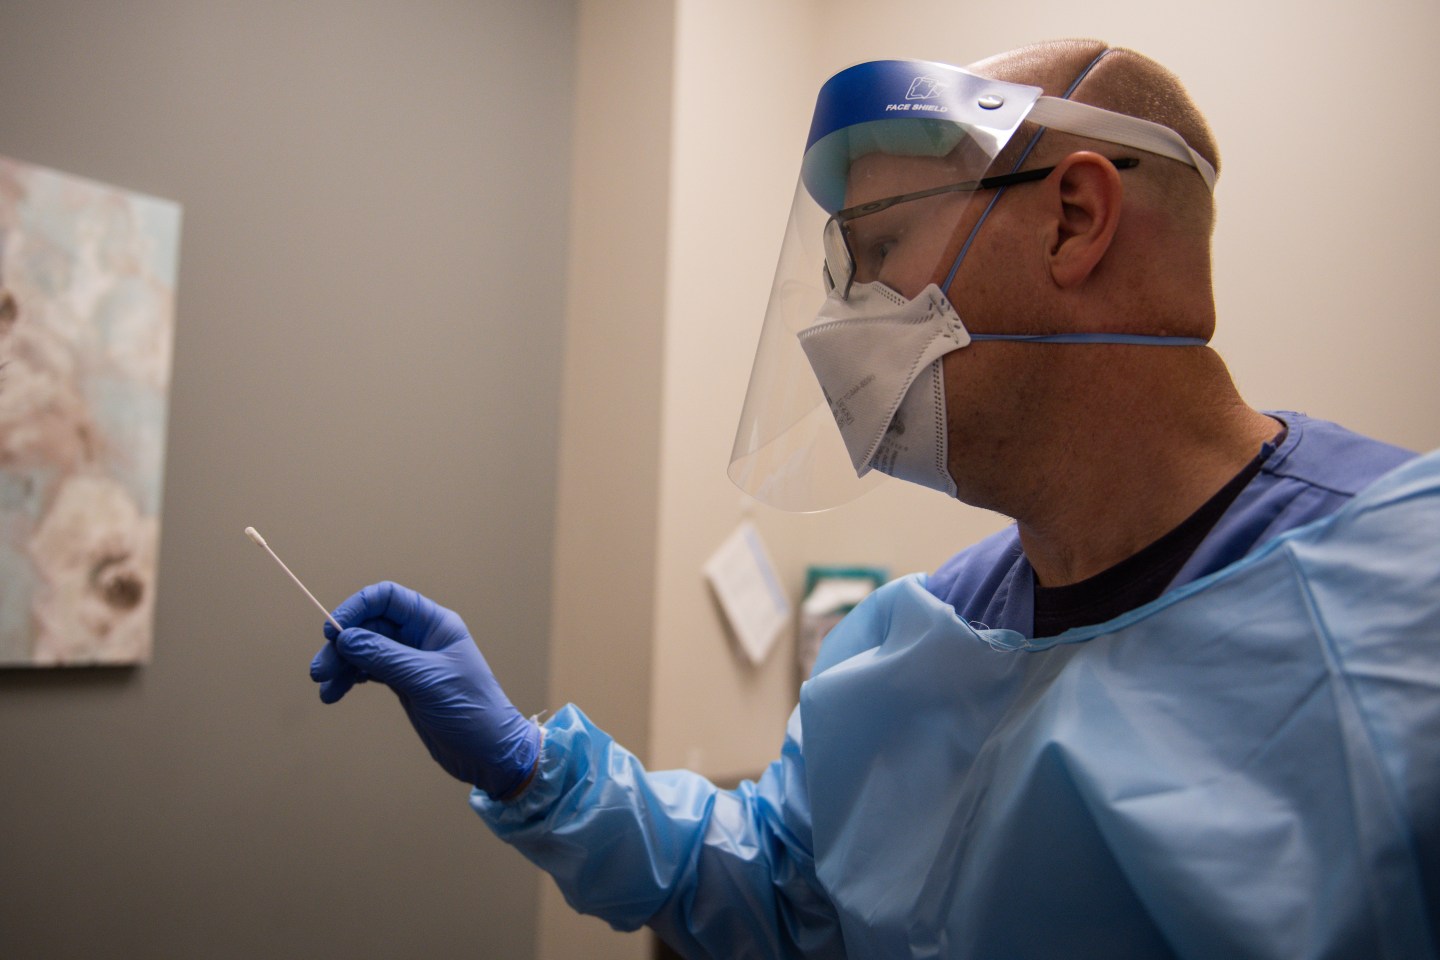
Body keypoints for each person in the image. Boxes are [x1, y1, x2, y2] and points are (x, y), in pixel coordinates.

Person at [310, 40, 1440, 958]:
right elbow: (785, 891)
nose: (837, 324)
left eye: (879, 250)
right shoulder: (912, 650)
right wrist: (525, 760)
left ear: (1073, 220)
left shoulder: (1407, 596)